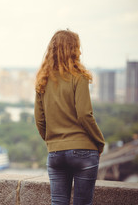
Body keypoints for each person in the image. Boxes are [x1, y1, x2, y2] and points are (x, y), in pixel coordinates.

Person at [34, 29, 105, 205]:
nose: (80, 52)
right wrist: (99, 141)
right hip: (84, 150)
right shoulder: (79, 77)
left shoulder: (43, 80)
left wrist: (53, 141)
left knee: (58, 202)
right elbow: (84, 115)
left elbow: (40, 120)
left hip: (55, 152)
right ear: (73, 50)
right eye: (78, 48)